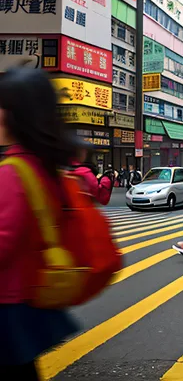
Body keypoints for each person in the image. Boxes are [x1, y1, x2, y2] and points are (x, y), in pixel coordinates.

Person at [0, 68, 79, 380]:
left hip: (7, 304)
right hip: (27, 298)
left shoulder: (12, 172)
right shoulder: (43, 167)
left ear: (12, 115)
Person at [69, 135, 115, 206]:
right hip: (83, 211)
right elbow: (101, 197)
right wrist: (106, 178)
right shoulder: (85, 172)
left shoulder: (64, 169)